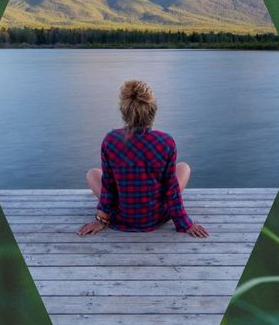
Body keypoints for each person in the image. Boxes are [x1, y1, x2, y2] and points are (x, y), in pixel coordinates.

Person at [75, 80, 209, 238]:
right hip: (155, 217)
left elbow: (108, 185)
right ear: (152, 110)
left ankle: (112, 213)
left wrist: (101, 220)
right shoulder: (166, 142)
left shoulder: (110, 140)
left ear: (124, 112)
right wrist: (185, 223)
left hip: (121, 216)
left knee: (92, 174)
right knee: (184, 168)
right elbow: (171, 189)